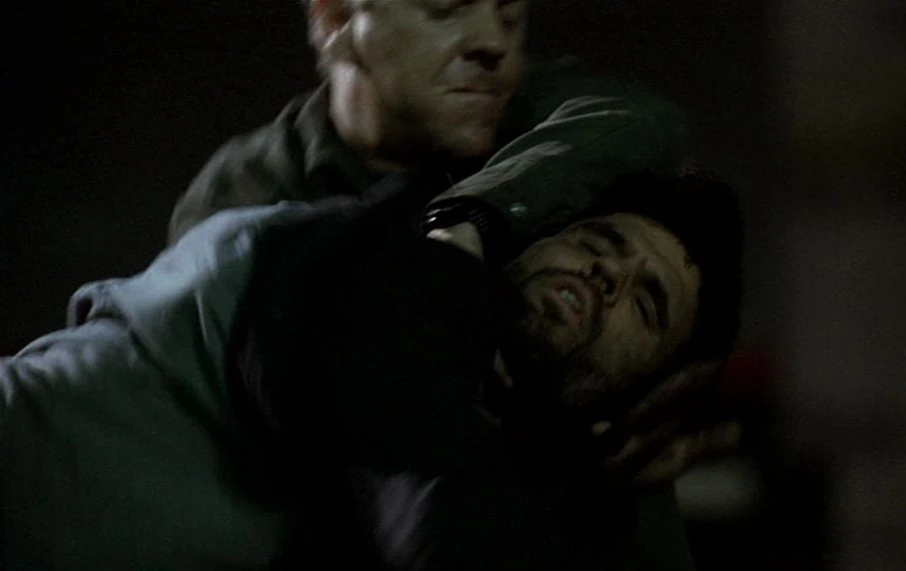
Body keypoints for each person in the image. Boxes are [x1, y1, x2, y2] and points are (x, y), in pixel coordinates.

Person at [0, 171, 742, 570]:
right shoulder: (395, 263)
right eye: (599, 240)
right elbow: (429, 495)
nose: (608, 273)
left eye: (647, 302)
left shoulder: (527, 469)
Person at [167, 0, 724, 491]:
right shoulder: (245, 197)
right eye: (446, 8)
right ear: (336, 18)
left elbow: (642, 121)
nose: (495, 44)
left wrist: (474, 223)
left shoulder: (534, 118)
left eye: (510, 15)